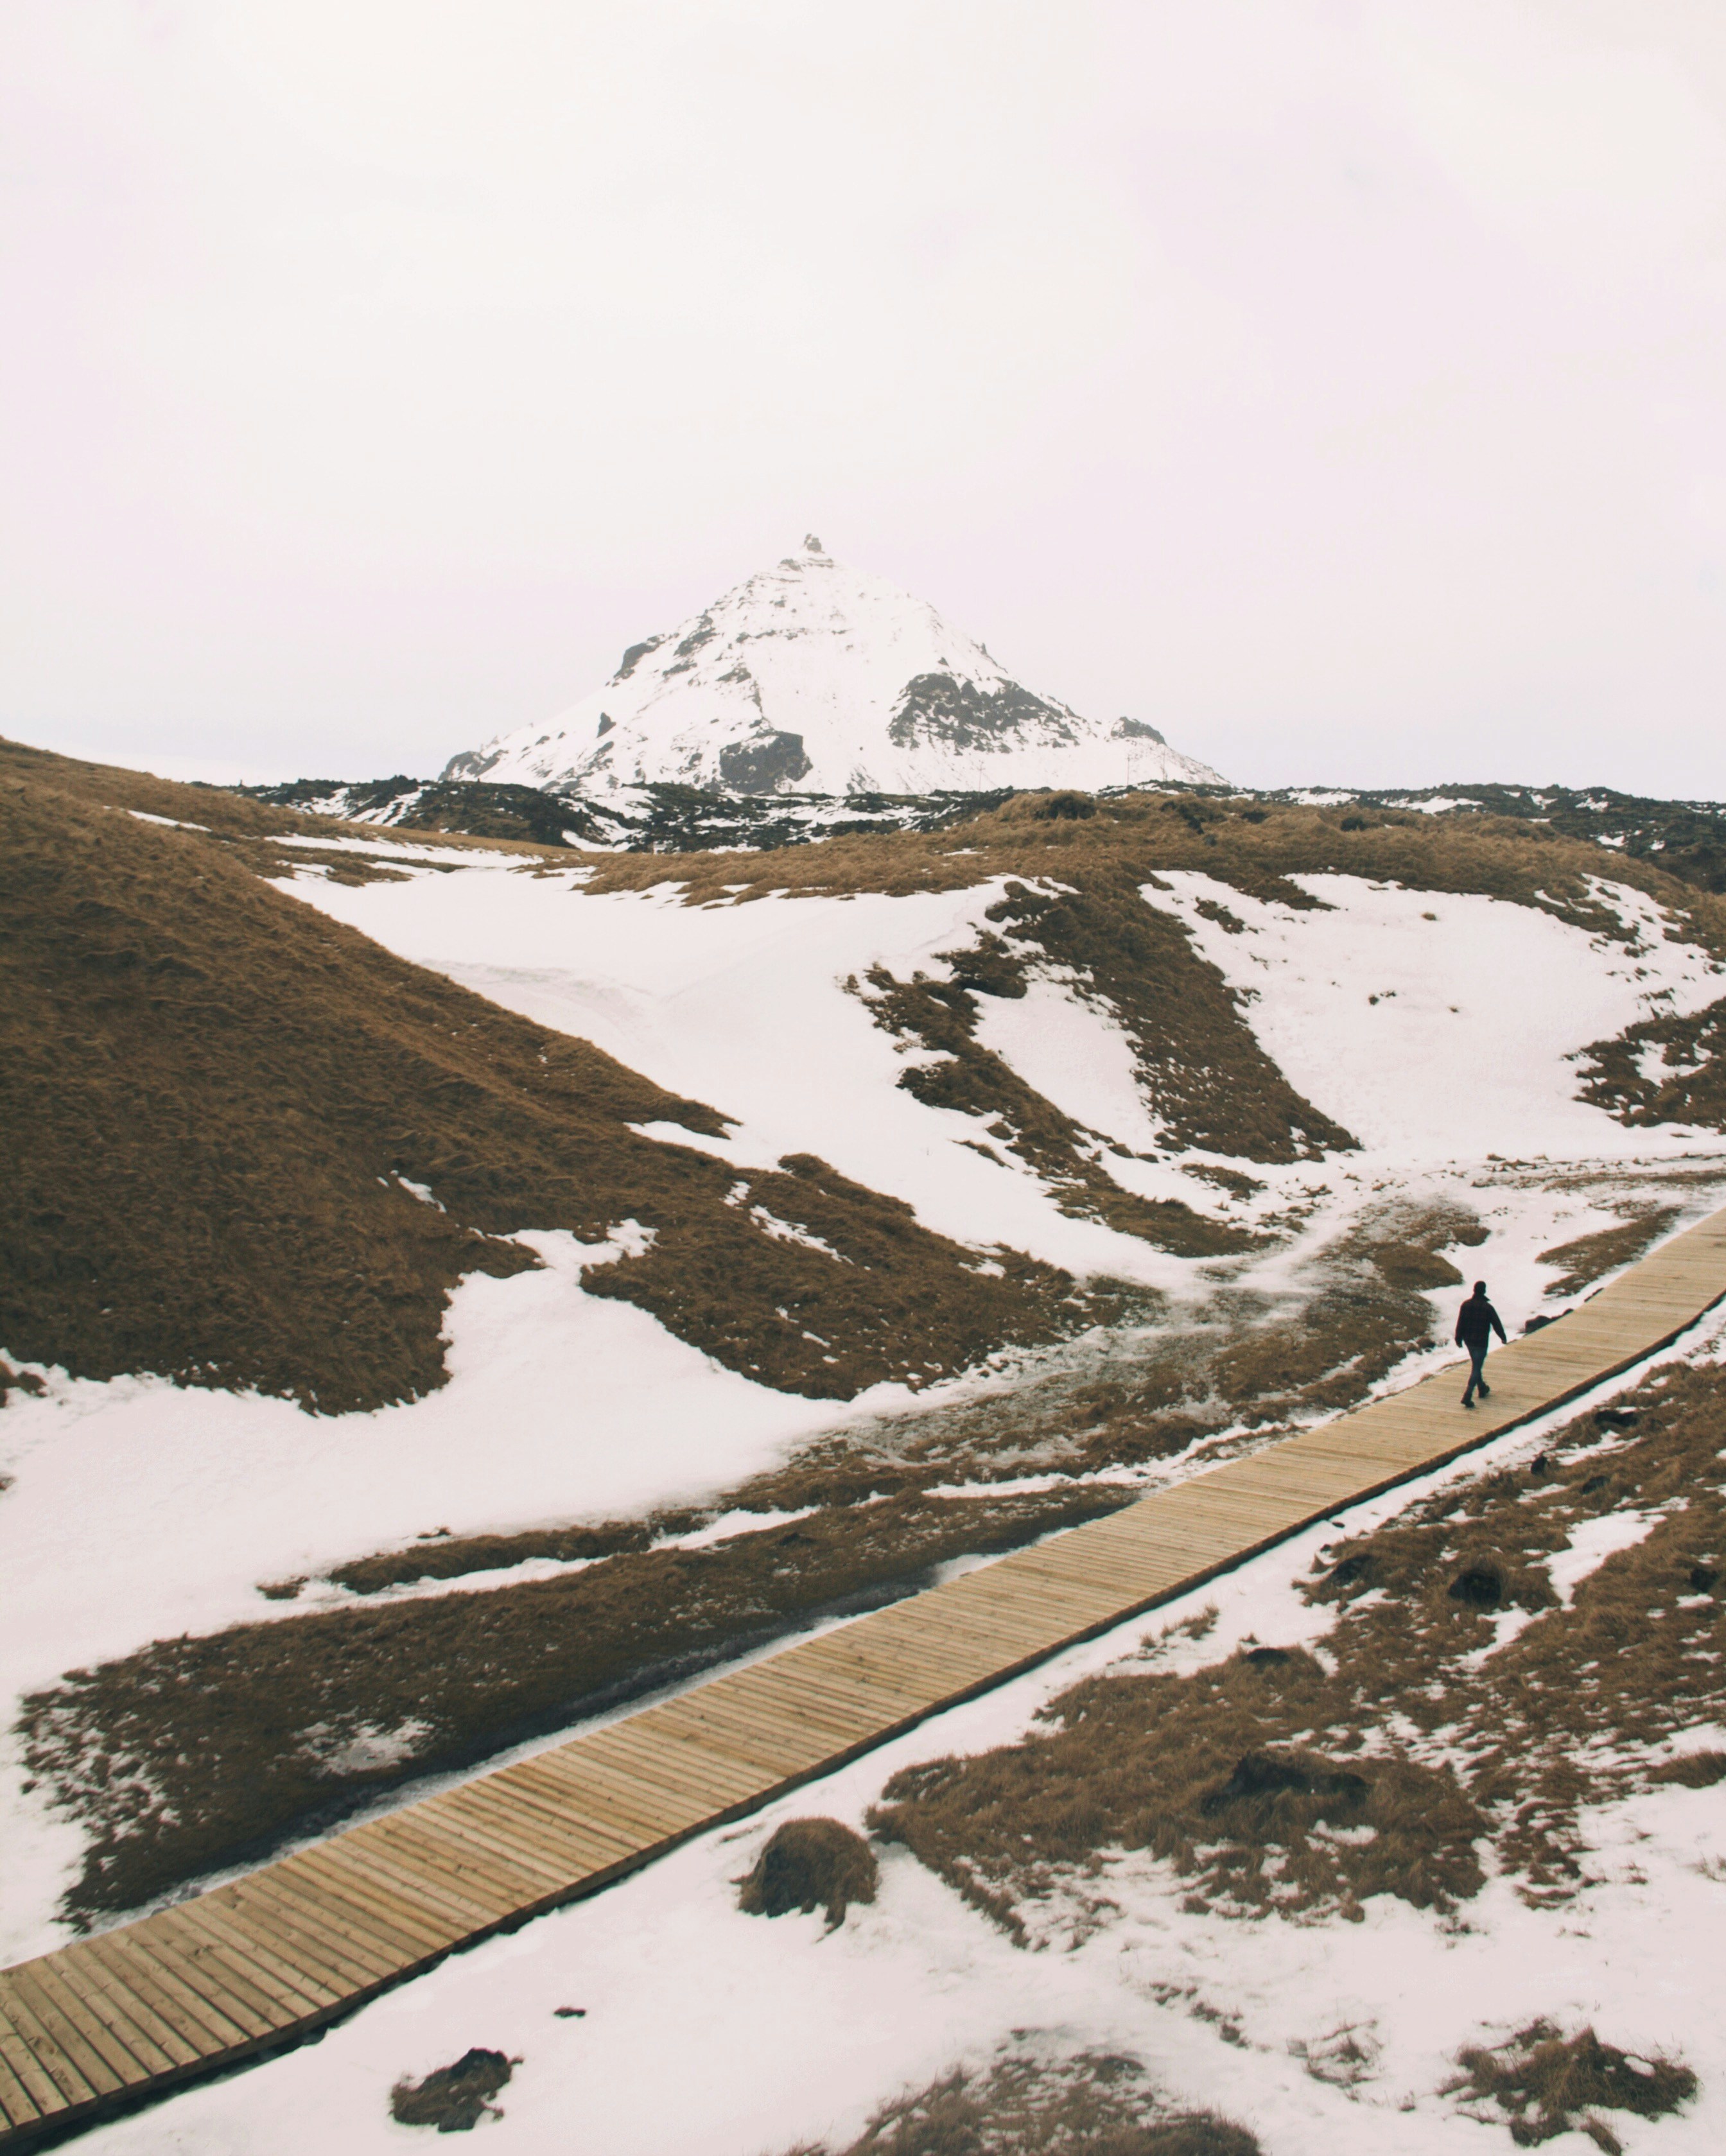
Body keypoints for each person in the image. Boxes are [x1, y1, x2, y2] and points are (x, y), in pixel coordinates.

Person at [1455, 1281, 1507, 1408]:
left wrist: (1458, 1338)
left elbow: (1460, 1322)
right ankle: (1467, 1395)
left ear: (1474, 1290)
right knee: (1477, 1368)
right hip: (1481, 1342)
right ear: (1484, 1291)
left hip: (1469, 1341)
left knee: (1476, 1364)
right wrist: (1503, 1337)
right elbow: (1496, 1323)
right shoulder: (1487, 1307)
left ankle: (1482, 1388)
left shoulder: (1465, 1305)